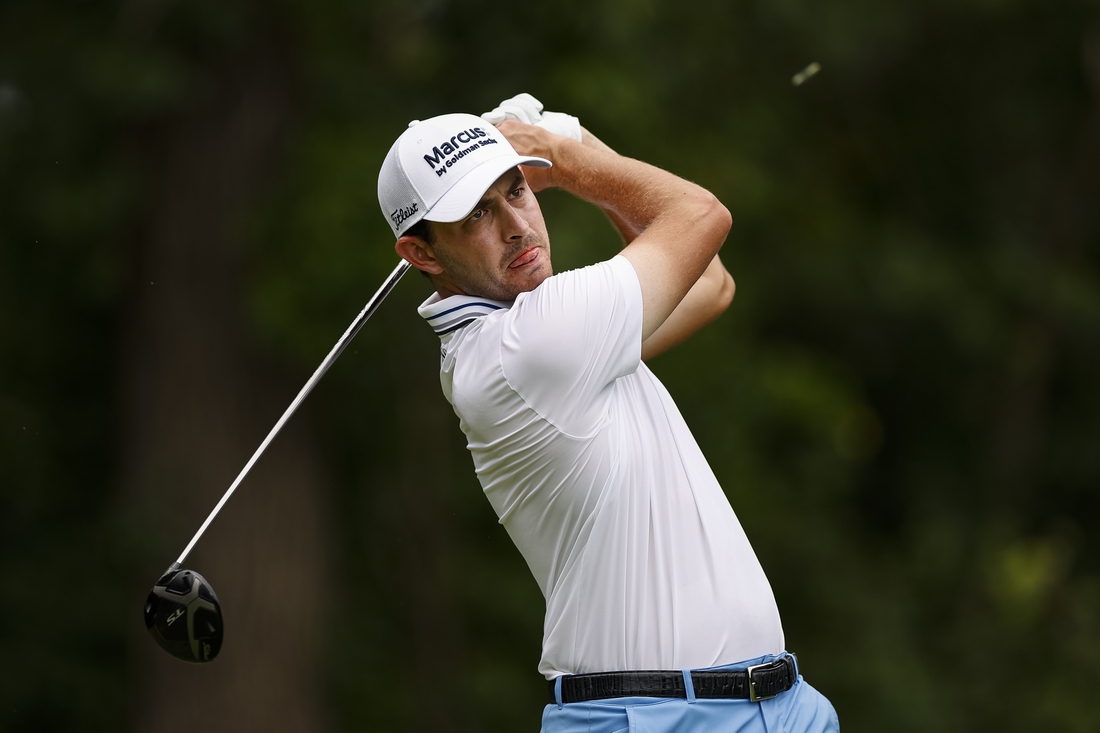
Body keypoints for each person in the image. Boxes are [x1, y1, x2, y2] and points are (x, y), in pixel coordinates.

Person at [377, 95, 839, 733]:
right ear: (422, 254)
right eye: (478, 213)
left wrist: (571, 142)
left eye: (517, 189)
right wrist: (565, 153)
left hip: (780, 705)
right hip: (655, 718)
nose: (516, 225)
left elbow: (710, 285)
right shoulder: (529, 346)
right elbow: (701, 215)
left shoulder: (550, 338)